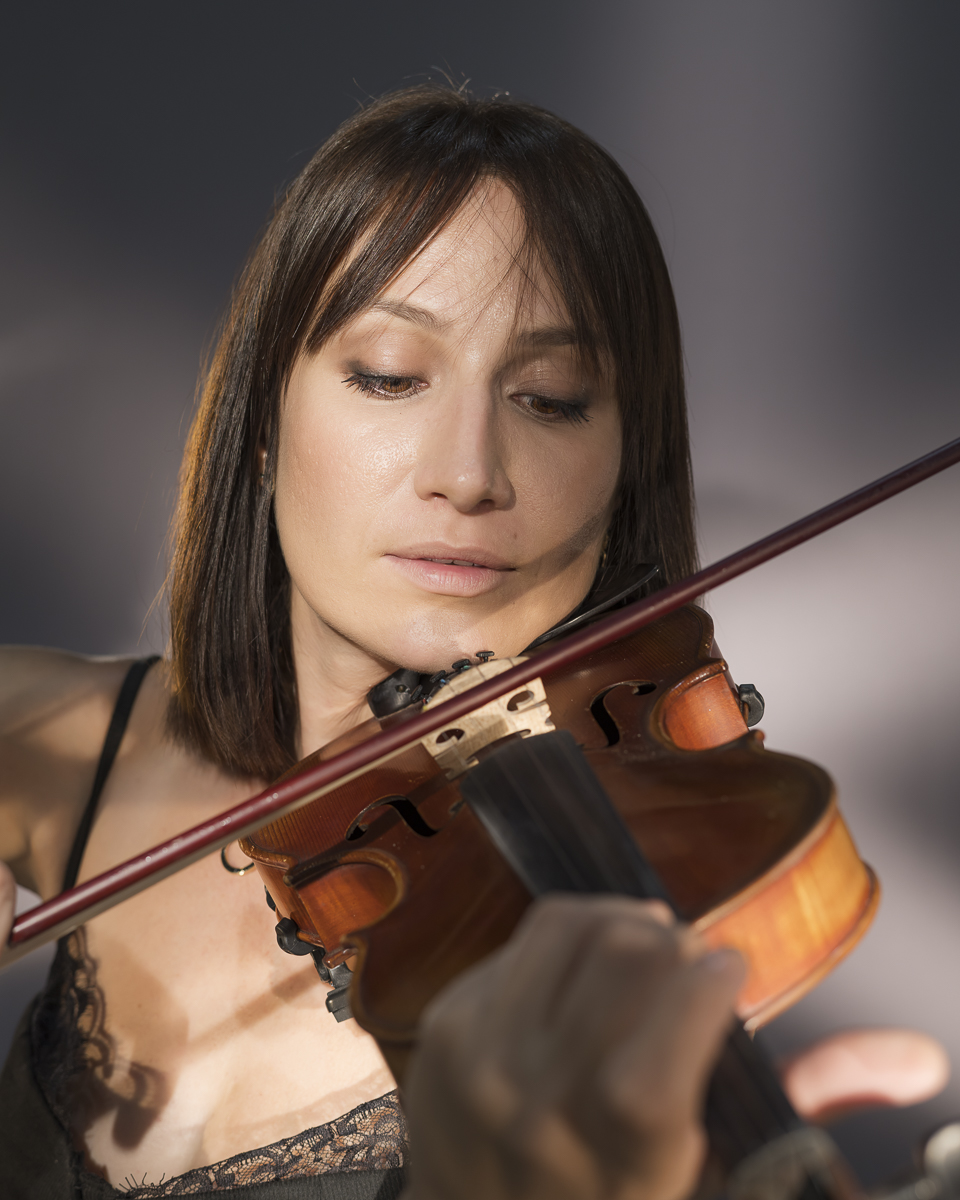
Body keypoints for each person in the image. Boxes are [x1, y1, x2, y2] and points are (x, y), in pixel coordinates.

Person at [0, 86, 947, 1200]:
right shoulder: (45, 741)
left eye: (549, 399)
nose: (468, 472)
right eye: (391, 377)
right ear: (264, 419)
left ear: (624, 463)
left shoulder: (614, 927)